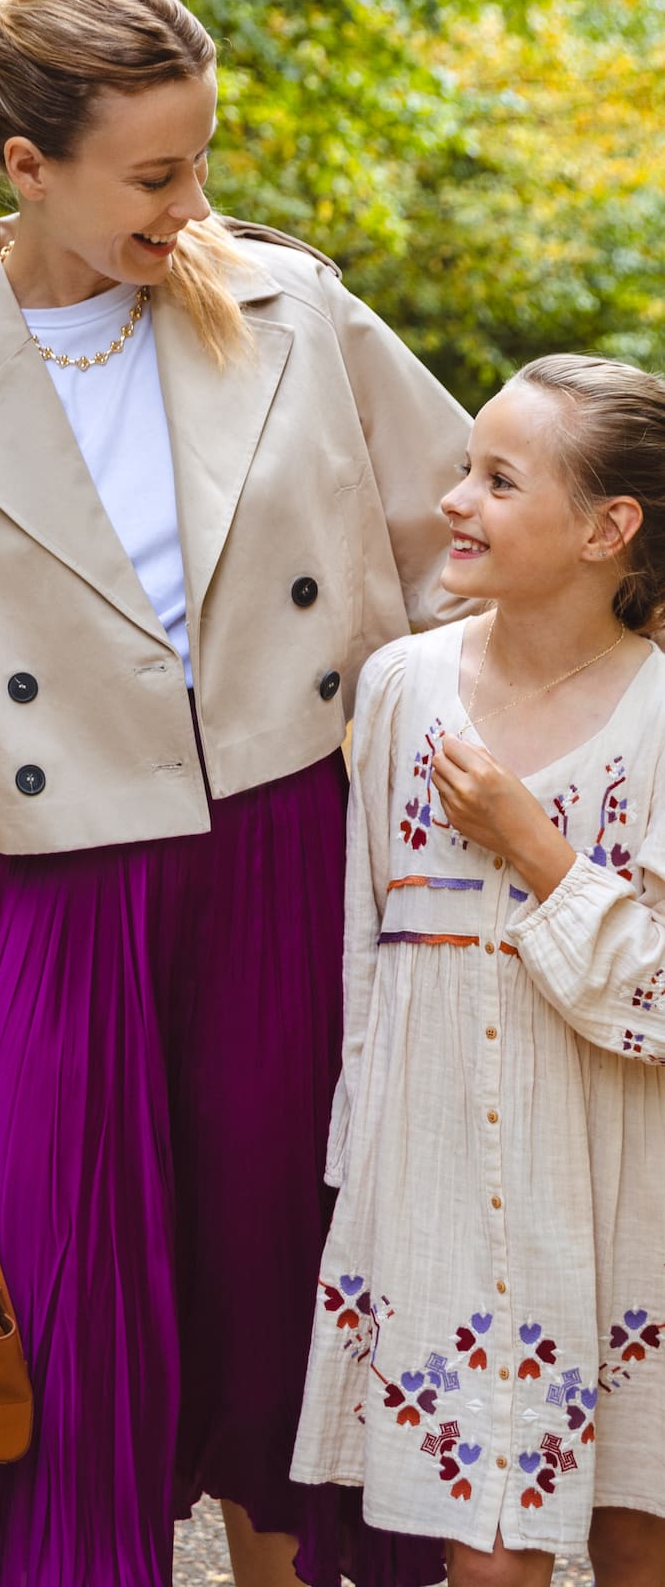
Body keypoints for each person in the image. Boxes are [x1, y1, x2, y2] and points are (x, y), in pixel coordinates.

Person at [0, 0, 472, 1587]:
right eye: (152, 173)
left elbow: (469, 543)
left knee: (285, 1302)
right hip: (59, 900)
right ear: (24, 166)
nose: (191, 200)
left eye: (198, 156)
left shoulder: (290, 306)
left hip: (297, 856)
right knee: (44, 1336)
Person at [292, 355, 665, 1587]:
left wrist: (539, 852)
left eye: (497, 479)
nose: (455, 499)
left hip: (626, 1203)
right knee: (485, 1549)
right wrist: (364, 1168)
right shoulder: (400, 689)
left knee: (633, 1532)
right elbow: (366, 962)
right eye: (464, 467)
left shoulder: (661, 717)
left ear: (608, 528)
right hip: (438, 1183)